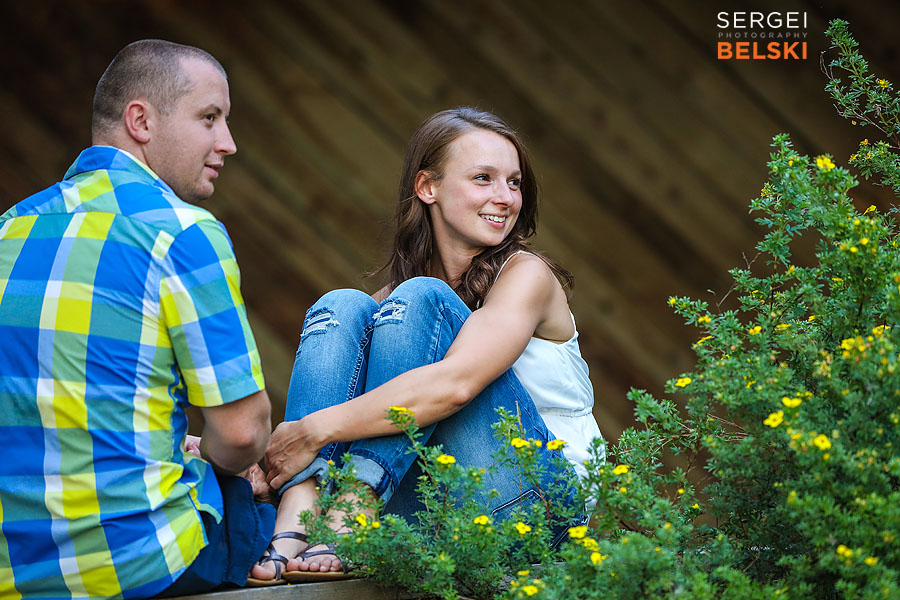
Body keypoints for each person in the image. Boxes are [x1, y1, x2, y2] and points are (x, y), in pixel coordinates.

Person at [250, 107, 603, 583]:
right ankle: (298, 514)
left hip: (535, 511)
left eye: (514, 182)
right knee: (341, 306)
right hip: (431, 508)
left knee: (420, 297)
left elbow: (454, 385)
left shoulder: (526, 276)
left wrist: (311, 431)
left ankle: (352, 508)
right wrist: (264, 460)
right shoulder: (398, 306)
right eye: (484, 178)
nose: (505, 198)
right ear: (427, 187)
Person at [0, 40, 273, 599]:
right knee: (288, 515)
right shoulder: (182, 232)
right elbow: (244, 434)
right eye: (210, 118)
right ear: (141, 121)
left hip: (14, 573)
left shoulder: (8, 229)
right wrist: (213, 456)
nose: (228, 143)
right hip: (139, 564)